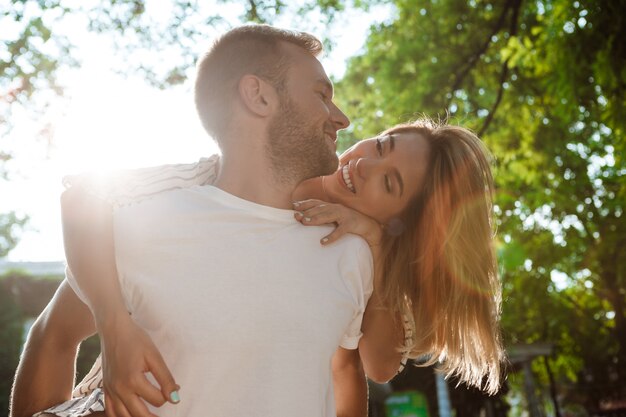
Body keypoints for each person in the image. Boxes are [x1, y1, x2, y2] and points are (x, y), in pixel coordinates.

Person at [12, 27, 504, 417]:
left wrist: (374, 243)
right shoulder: (164, 210)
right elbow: (56, 322)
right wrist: (115, 327)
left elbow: (365, 367)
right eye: (380, 145)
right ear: (258, 97)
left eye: (391, 185)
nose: (348, 128)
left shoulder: (351, 252)